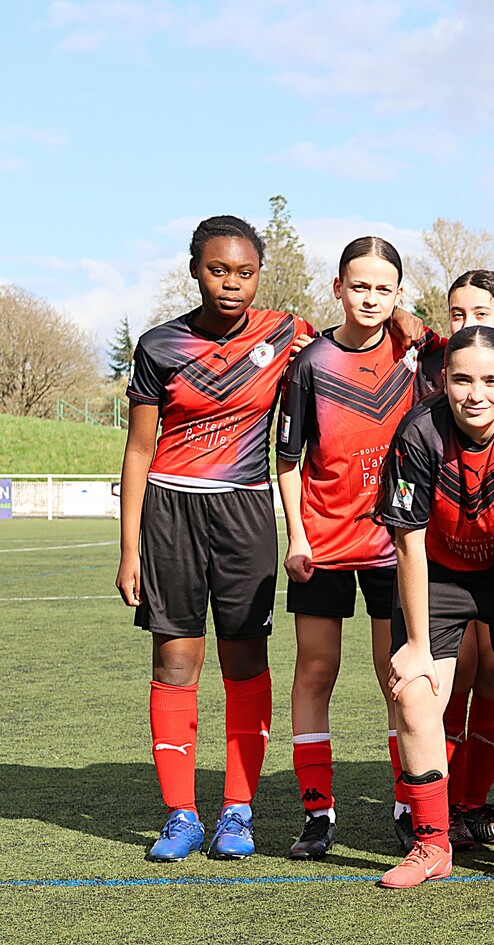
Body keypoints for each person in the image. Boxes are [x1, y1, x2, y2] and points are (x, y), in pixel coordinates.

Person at [118, 215, 314, 862]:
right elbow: (139, 449)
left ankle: (237, 810)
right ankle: (180, 814)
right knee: (175, 662)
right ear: (195, 270)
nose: (232, 283)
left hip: (246, 512)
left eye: (245, 272)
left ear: (260, 276)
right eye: (218, 270)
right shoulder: (159, 346)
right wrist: (128, 549)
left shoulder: (287, 333)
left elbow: (358, 343)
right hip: (170, 513)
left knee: (245, 660)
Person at [377, 326, 494, 889]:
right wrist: (416, 646)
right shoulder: (417, 433)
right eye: (462, 380)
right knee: (416, 694)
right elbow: (408, 543)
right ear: (443, 380)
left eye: (491, 380)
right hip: (437, 572)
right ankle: (431, 844)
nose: (476, 394)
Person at [276, 236, 435, 858]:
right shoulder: (310, 362)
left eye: (383, 288)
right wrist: (297, 535)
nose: (370, 298)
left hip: (396, 546)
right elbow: (288, 460)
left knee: (397, 677)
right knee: (316, 672)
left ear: (399, 293)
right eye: (359, 286)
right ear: (338, 288)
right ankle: (317, 812)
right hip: (323, 546)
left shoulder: (417, 355)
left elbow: (485, 348)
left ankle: (408, 803)